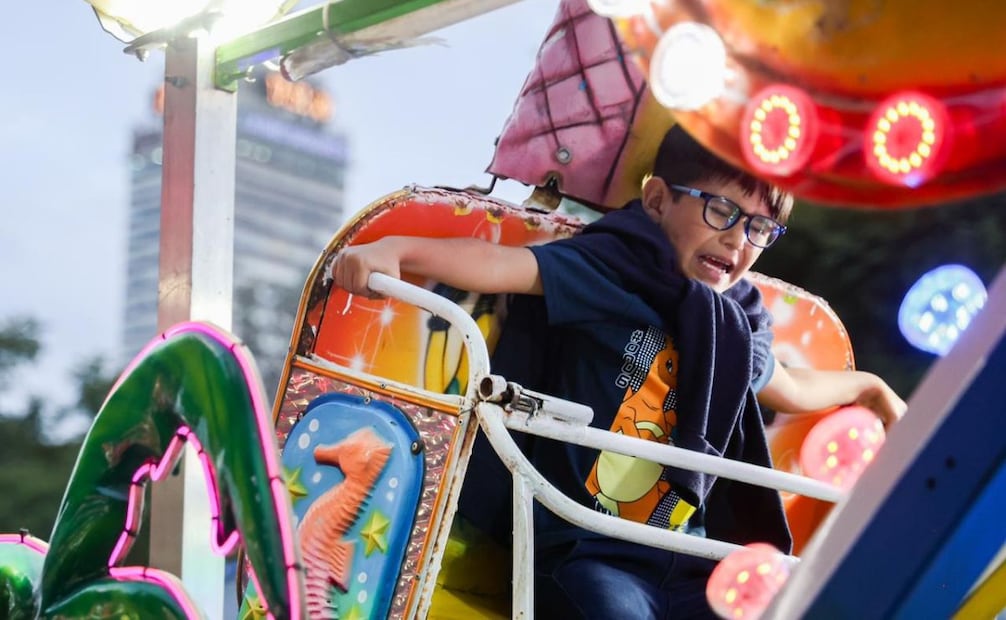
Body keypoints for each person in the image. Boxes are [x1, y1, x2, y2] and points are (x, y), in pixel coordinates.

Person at [331, 126, 907, 618]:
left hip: (687, 547)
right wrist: (397, 249)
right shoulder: (613, 270)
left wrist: (871, 388)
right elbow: (503, 264)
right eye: (722, 210)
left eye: (759, 228)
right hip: (587, 542)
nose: (737, 239)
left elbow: (790, 384)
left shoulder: (738, 324)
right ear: (657, 199)